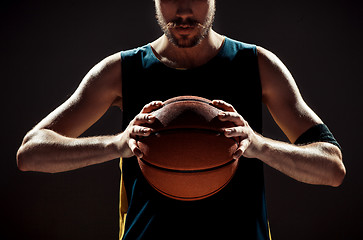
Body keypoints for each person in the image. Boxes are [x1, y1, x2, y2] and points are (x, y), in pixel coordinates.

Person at [17, 0, 346, 239]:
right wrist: (115, 145)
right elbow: (32, 153)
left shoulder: (256, 65)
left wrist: (259, 146)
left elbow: (331, 167)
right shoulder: (123, 70)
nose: (184, 11)